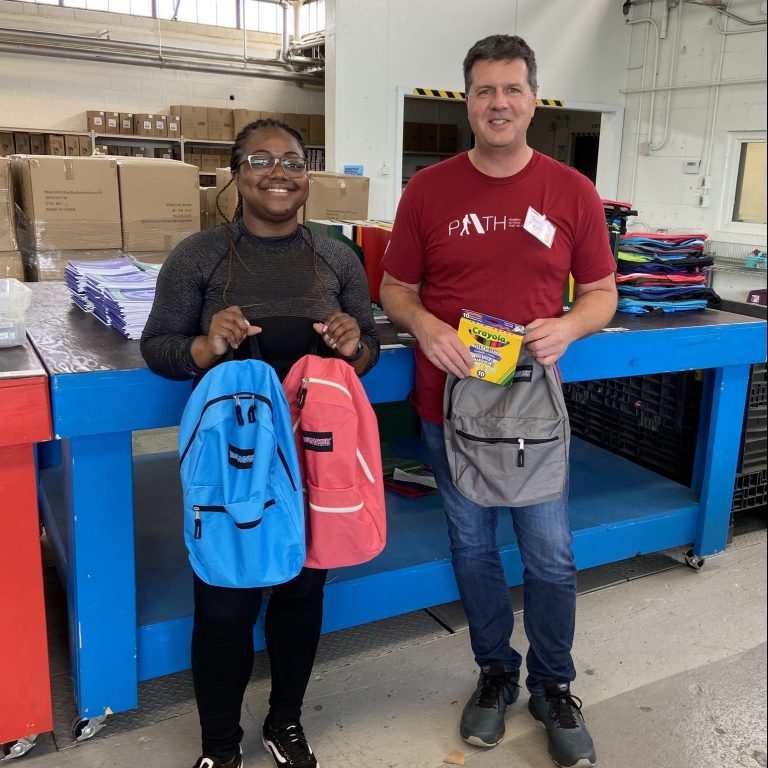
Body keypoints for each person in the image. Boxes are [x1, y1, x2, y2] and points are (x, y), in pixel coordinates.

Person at [379, 35, 617, 768]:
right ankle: (494, 672)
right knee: (473, 549)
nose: (499, 103)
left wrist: (569, 325)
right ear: (468, 102)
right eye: (484, 91)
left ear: (534, 99)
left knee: (550, 554)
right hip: (448, 408)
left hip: (532, 413)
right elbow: (396, 288)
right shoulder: (428, 192)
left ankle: (553, 683)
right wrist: (425, 329)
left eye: (512, 89)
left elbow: (605, 292)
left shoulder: (570, 192)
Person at [141, 118, 379, 768]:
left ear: (308, 177)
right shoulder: (199, 256)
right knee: (224, 600)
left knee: (302, 591)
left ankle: (286, 722)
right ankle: (220, 746)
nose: (278, 172)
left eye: (293, 162)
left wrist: (354, 346)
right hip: (232, 460)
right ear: (237, 174)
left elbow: (369, 347)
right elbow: (157, 345)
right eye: (261, 160)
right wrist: (203, 345)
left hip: (312, 453)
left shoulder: (337, 258)